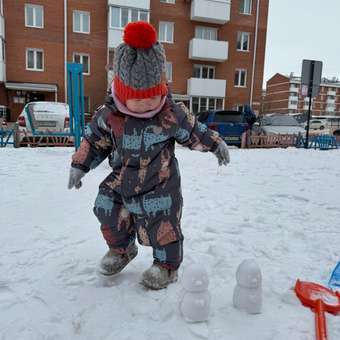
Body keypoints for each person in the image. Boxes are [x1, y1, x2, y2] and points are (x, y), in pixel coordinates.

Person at [67, 22, 230, 290]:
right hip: (123, 179)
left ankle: (166, 267)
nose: (146, 104)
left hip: (160, 184)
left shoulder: (169, 114)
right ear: (121, 92)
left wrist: (215, 144)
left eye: (152, 97)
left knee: (163, 226)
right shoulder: (109, 117)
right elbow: (93, 141)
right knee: (105, 205)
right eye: (138, 99)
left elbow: (194, 130)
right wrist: (79, 165)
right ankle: (122, 250)